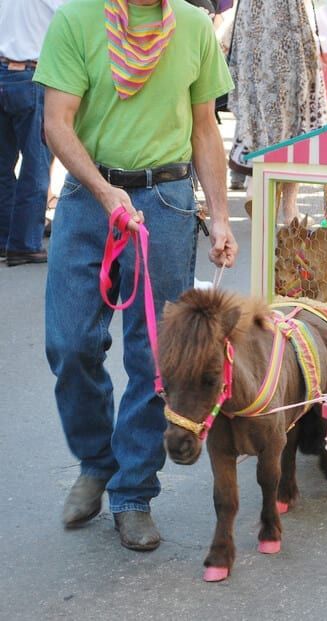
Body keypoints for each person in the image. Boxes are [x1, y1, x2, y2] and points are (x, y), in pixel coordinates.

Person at [33, 0, 237, 550]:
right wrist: (105, 193)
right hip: (86, 197)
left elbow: (204, 129)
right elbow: (57, 123)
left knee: (154, 356)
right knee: (71, 344)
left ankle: (133, 491)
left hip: (167, 203)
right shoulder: (77, 21)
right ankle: (97, 461)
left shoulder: (193, 27)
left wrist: (219, 217)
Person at [228, 0, 327, 223]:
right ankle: (289, 208)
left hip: (254, 44)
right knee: (294, 129)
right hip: (288, 48)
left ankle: (258, 189)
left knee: (259, 120)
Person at [0, 0, 66, 266]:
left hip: (3, 70)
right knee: (36, 163)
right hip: (32, 73)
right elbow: (71, 18)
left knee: (3, 166)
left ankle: (6, 236)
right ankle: (24, 242)